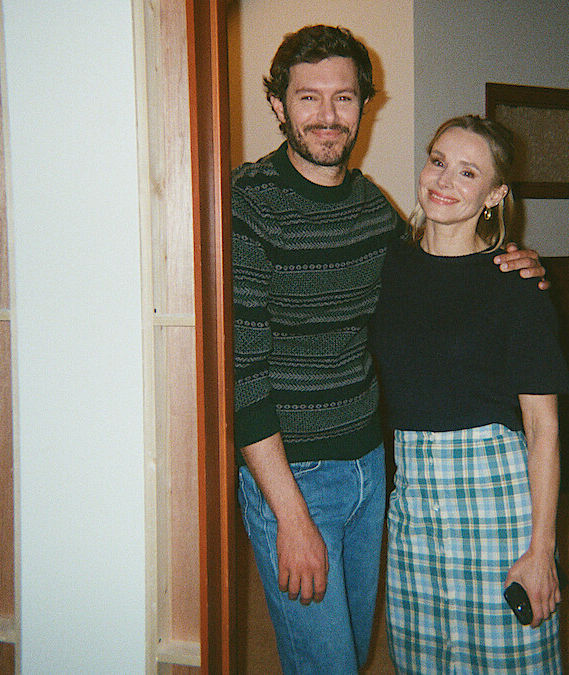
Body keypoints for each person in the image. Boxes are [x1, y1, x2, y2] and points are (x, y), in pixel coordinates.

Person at [231, 26, 548, 675]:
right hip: (295, 475)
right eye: (308, 97)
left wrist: (519, 260)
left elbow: (443, 269)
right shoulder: (247, 203)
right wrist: (289, 514)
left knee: (371, 647)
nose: (326, 115)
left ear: (362, 107)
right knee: (324, 661)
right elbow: (241, 373)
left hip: (374, 472)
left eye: (343, 98)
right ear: (277, 105)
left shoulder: (374, 215)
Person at [370, 114, 569, 673]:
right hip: (411, 502)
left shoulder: (515, 283)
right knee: (422, 660)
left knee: (512, 658)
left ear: (494, 194)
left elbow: (543, 428)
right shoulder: (390, 264)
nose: (443, 181)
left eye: (467, 172)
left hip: (493, 498)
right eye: (438, 161)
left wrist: (541, 549)